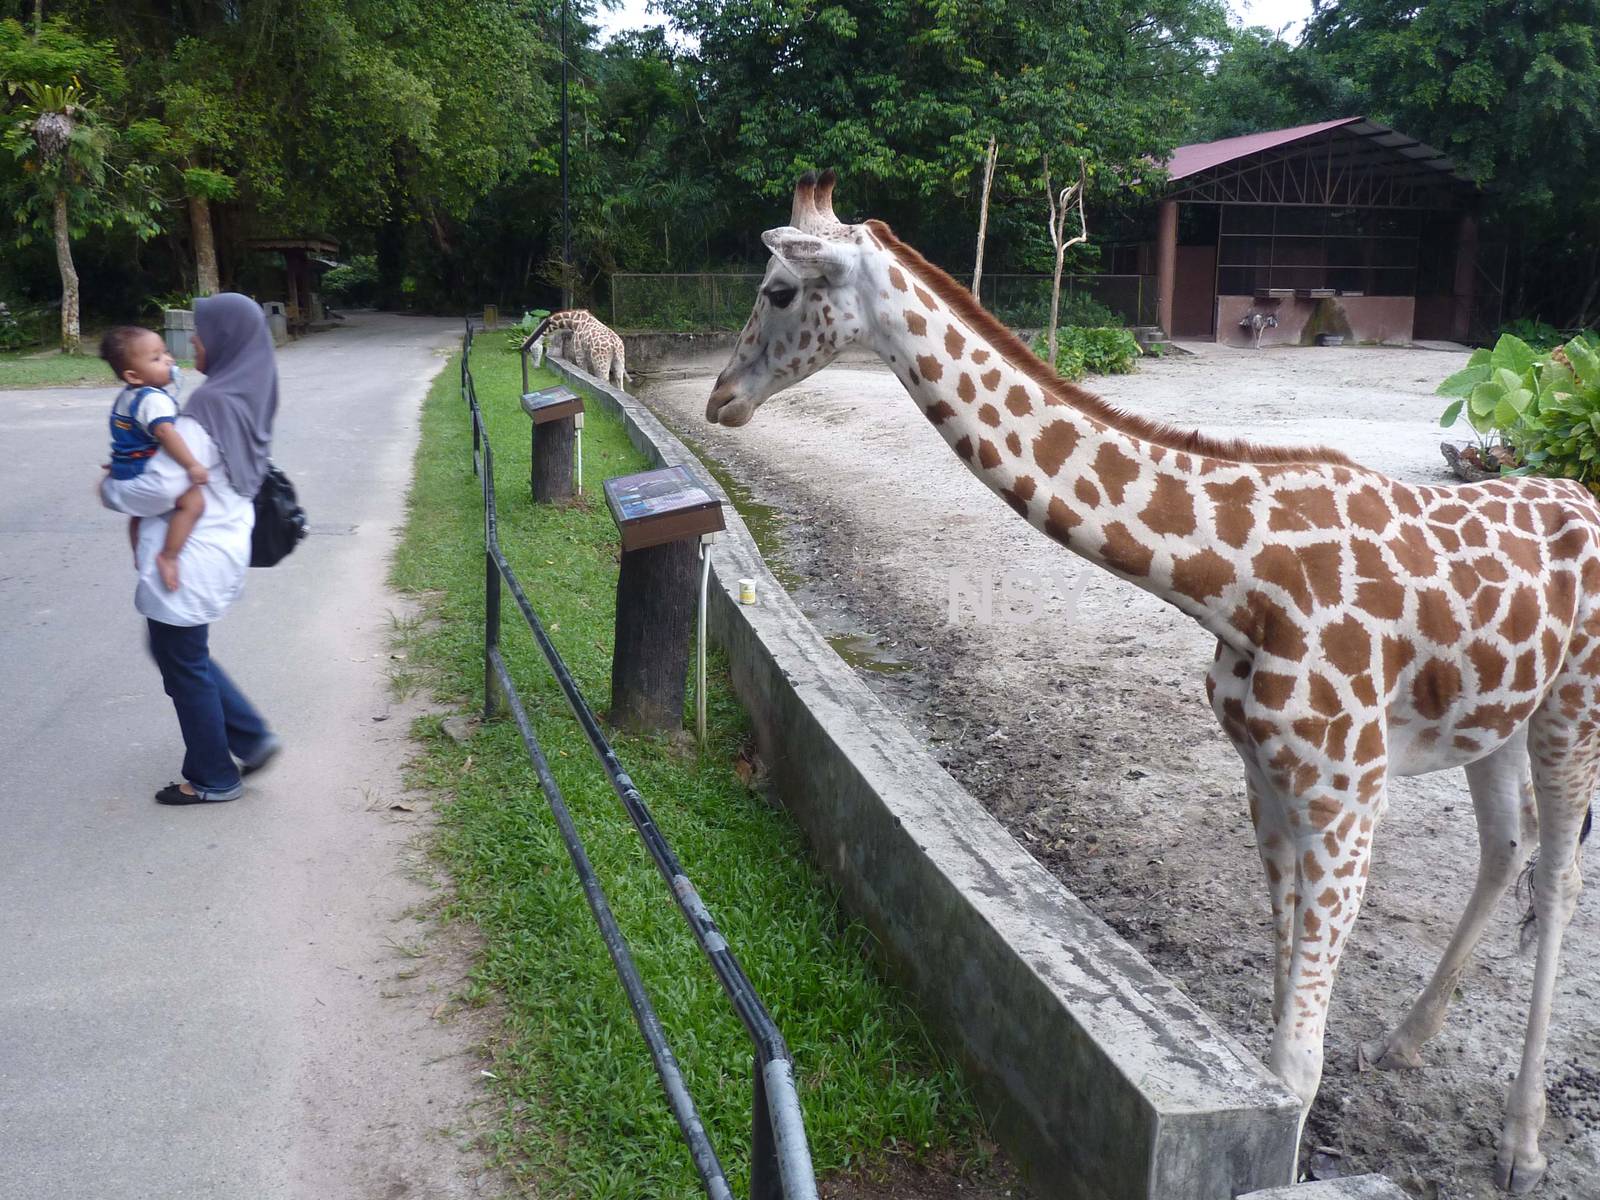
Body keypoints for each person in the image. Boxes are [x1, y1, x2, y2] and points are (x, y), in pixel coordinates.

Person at [100, 293, 283, 805]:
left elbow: (160, 488)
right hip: (222, 540)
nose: (192, 342)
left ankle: (213, 776)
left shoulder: (207, 407)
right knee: (178, 652)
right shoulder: (248, 392)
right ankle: (249, 736)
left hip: (191, 551)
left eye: (201, 333)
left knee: (182, 659)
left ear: (223, 339)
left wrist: (109, 488)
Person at [99, 326, 208, 591]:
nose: (169, 360)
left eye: (166, 352)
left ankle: (139, 554)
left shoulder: (127, 396)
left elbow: (128, 437)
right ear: (133, 375)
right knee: (193, 503)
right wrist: (192, 465)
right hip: (144, 473)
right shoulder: (154, 400)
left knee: (138, 515)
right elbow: (165, 433)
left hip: (125, 470)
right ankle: (169, 557)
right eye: (157, 359)